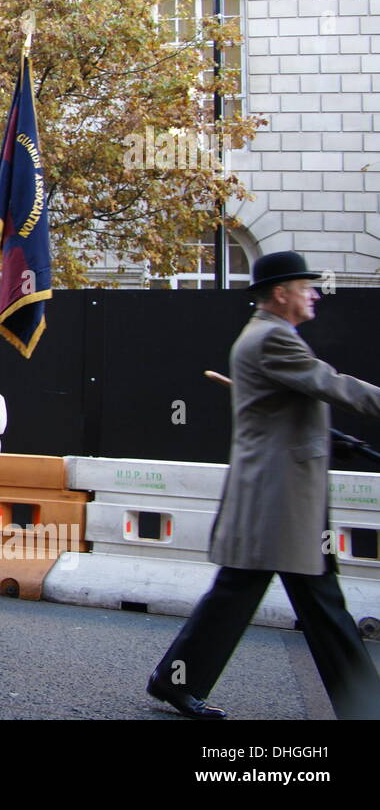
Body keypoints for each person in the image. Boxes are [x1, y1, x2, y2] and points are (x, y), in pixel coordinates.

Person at [147, 251, 380, 720]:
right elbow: (333, 385)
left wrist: (330, 439)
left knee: (248, 593)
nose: (315, 293)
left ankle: (177, 679)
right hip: (280, 499)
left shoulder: (271, 336)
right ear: (281, 293)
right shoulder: (273, 338)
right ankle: (364, 706)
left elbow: (285, 409)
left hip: (283, 494)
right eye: (306, 286)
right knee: (316, 602)